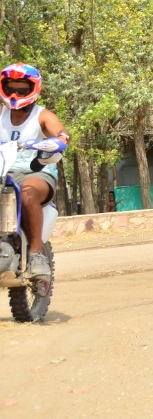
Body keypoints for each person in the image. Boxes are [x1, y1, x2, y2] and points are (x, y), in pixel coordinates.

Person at [1, 64, 69, 279]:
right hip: (4, 172)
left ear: (33, 89)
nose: (15, 94)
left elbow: (61, 133)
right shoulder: (1, 113)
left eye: (22, 89)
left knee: (28, 193)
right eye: (11, 88)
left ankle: (36, 254)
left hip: (36, 172)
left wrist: (58, 140)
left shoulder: (43, 115)